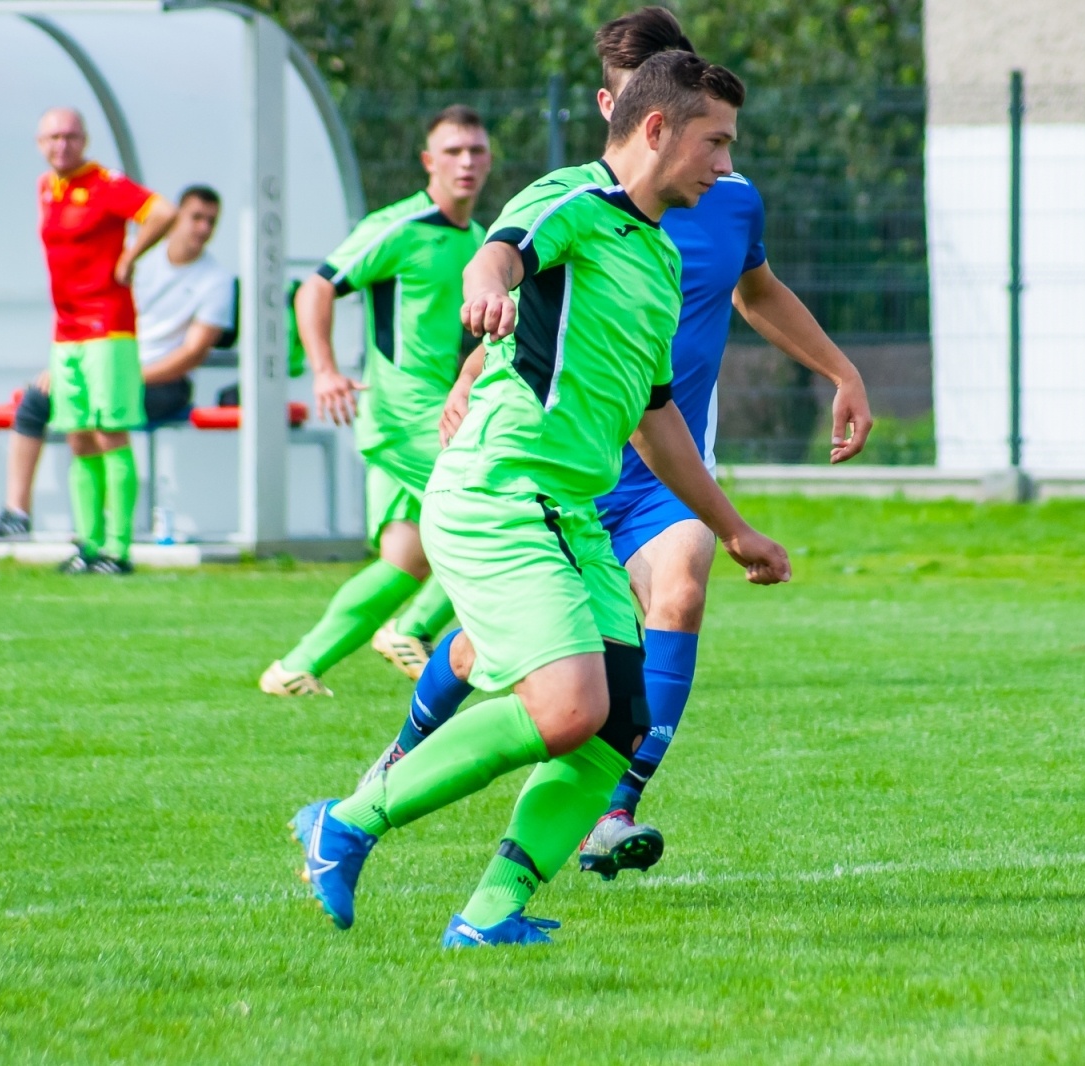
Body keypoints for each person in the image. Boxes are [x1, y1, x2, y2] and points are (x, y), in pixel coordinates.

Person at [290, 51, 791, 947]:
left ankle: (488, 919)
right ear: (655, 130)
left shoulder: (658, 261)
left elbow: (655, 419)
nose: (725, 166)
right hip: (499, 492)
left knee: (615, 730)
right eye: (716, 144)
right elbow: (504, 254)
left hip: (570, 513)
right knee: (567, 708)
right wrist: (486, 291)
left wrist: (735, 529)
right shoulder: (575, 201)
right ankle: (349, 822)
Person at [362, 7, 874, 879]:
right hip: (557, 456)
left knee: (677, 590)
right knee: (495, 658)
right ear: (638, 116)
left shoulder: (727, 199)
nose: (717, 160)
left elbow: (758, 294)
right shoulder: (581, 197)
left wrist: (841, 371)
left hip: (661, 458)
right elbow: (519, 275)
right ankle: (387, 778)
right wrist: (469, 372)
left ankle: (610, 813)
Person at [259, 106, 493, 698]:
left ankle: (294, 670)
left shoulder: (476, 239)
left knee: (406, 561)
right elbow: (316, 287)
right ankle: (412, 630)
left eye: (476, 151)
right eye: (453, 152)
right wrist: (325, 370)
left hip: (433, 412)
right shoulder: (400, 225)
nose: (466, 163)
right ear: (428, 162)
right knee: (495, 505)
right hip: (401, 413)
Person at [0, 186, 234, 544]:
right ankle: (19, 515)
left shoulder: (216, 280)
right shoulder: (136, 263)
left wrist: (121, 377)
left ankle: (112, 539)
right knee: (39, 401)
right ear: (174, 219)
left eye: (211, 222)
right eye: (196, 218)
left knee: (103, 420)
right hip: (107, 364)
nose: (203, 228)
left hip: (162, 382)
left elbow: (192, 354)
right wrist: (69, 366)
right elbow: (92, 316)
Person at [22, 107, 178, 575]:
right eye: (52, 137)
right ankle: (86, 543)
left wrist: (131, 253)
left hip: (108, 327)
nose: (61, 145)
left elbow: (163, 211)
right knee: (78, 436)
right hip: (65, 330)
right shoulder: (46, 188)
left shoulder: (105, 183)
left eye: (70, 136)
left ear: (84, 140)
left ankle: (119, 548)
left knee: (110, 430)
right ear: (40, 143)